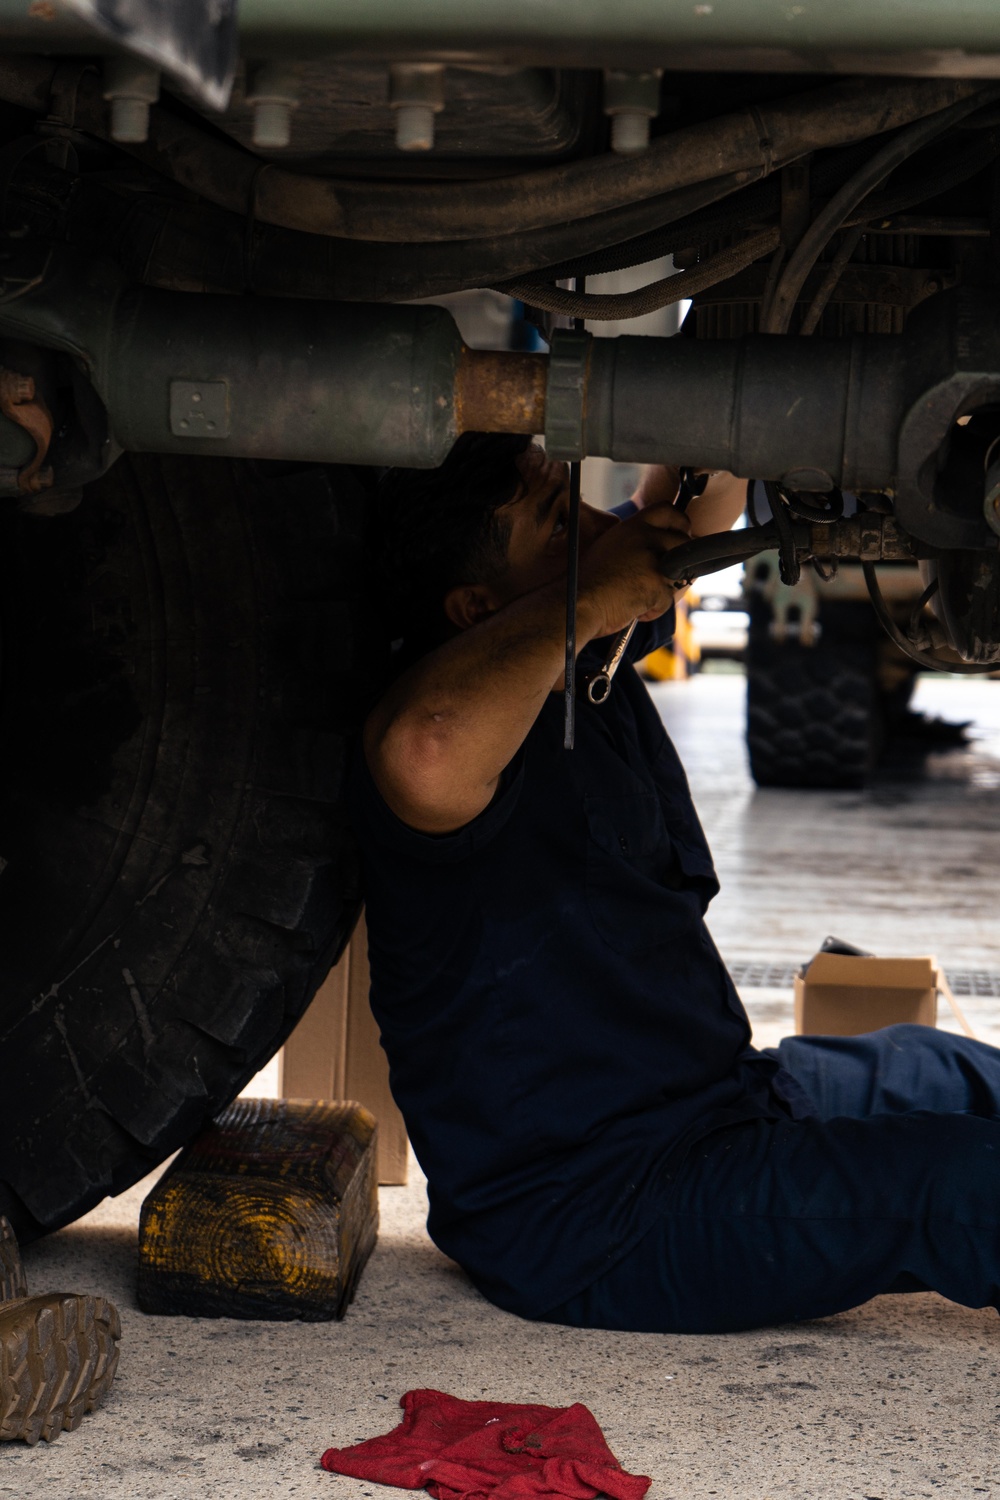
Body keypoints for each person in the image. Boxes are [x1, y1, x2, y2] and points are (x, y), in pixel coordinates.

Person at [352, 431, 1000, 1334]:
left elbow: (696, 509)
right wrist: (597, 591)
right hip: (602, 1212)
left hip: (724, 1104)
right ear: (474, 606)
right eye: (557, 526)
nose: (594, 532)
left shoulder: (571, 641)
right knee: (964, 1183)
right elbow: (424, 748)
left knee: (966, 1074)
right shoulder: (443, 734)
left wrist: (735, 400)